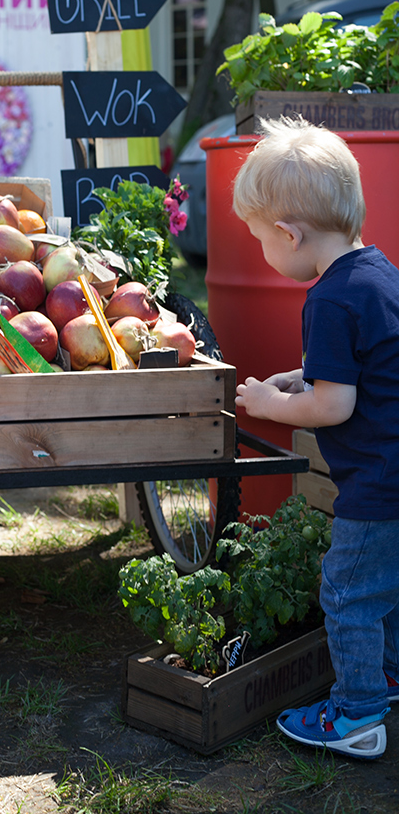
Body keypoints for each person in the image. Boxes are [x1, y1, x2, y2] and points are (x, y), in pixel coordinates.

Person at [232, 115, 399, 760]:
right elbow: (369, 360)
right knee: (386, 587)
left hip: (378, 484)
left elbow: (335, 404)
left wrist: (275, 404)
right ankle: (383, 676)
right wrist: (307, 372)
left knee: (348, 591)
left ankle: (357, 715)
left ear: (288, 233)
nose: (265, 257)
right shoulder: (376, 271)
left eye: (261, 243)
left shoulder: (327, 300)